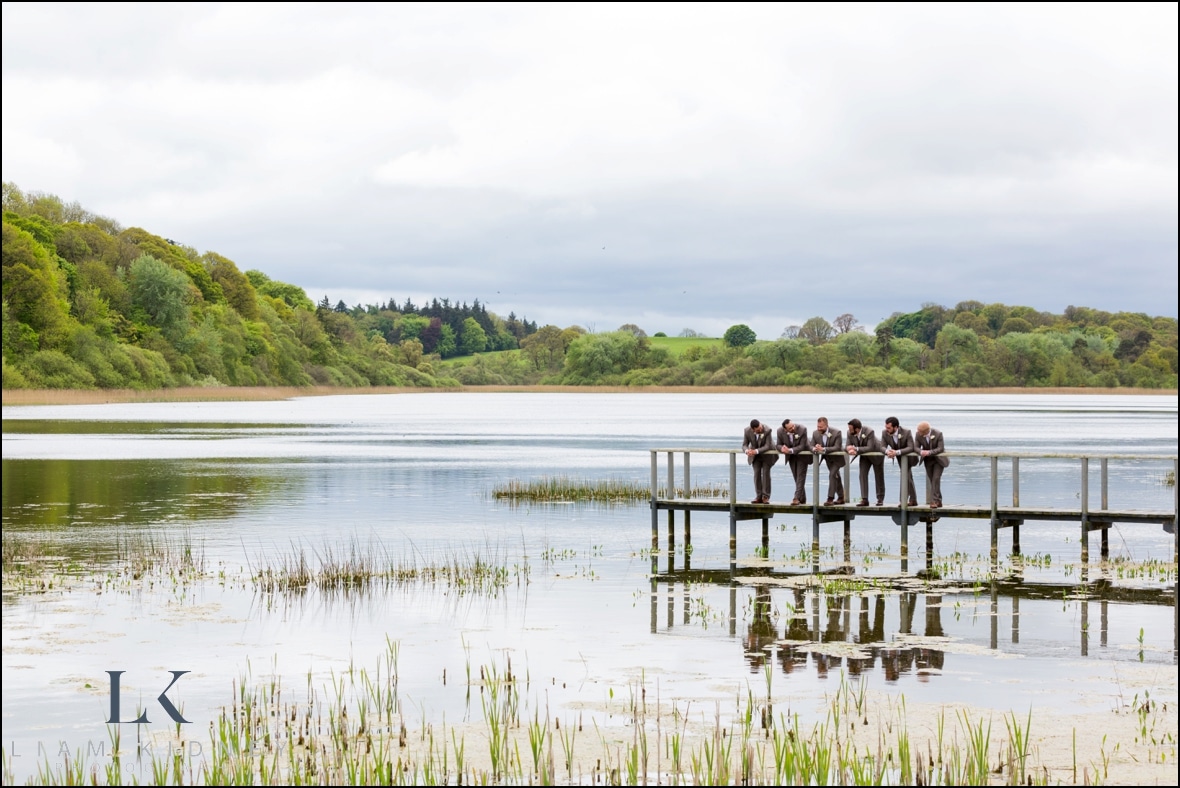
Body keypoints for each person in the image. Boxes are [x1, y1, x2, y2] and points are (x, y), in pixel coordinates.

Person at [846, 418, 885, 506]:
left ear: (857, 429)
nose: (849, 430)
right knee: (862, 475)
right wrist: (849, 449)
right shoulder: (849, 433)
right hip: (864, 455)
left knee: (879, 477)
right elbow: (847, 446)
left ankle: (880, 499)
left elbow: (870, 447)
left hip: (876, 454)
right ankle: (864, 499)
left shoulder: (869, 431)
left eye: (850, 428)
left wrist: (855, 449)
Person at [882, 416, 918, 506]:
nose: (887, 429)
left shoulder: (906, 432)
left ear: (896, 427)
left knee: (905, 476)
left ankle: (903, 500)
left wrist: (897, 452)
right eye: (886, 427)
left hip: (908, 457)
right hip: (898, 458)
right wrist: (888, 452)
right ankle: (913, 500)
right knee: (907, 477)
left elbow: (911, 447)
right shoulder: (884, 433)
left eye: (889, 428)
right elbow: (881, 446)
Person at [776, 418, 812, 505]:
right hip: (791, 457)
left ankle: (796, 498)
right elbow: (777, 444)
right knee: (796, 477)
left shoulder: (802, 429)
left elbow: (802, 446)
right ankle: (802, 499)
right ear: (785, 429)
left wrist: (790, 450)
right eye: (790, 428)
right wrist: (782, 448)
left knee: (800, 476)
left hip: (803, 455)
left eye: (793, 426)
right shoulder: (780, 431)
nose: (793, 428)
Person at [810, 417, 845, 504]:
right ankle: (841, 497)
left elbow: (837, 447)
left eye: (821, 427)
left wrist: (824, 449)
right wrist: (815, 448)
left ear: (826, 425)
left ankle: (830, 498)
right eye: (818, 426)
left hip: (837, 459)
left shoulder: (837, 432)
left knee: (832, 475)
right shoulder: (815, 433)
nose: (819, 429)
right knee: (836, 477)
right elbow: (810, 445)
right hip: (828, 459)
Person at [742, 419, 778, 503]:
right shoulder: (747, 431)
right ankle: (758, 496)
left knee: (766, 474)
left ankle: (765, 497)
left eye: (760, 427)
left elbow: (767, 445)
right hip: (755, 456)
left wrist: (756, 451)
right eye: (758, 430)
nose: (760, 430)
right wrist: (747, 451)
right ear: (753, 429)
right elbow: (744, 445)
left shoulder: (767, 430)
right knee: (756, 474)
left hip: (767, 454)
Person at [915, 421, 949, 507]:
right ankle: (938, 500)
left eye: (919, 431)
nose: (918, 432)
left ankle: (935, 501)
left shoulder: (938, 434)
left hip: (939, 460)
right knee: (932, 480)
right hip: (928, 460)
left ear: (925, 431)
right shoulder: (918, 435)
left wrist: (930, 452)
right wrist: (921, 452)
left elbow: (940, 448)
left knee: (936, 479)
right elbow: (916, 447)